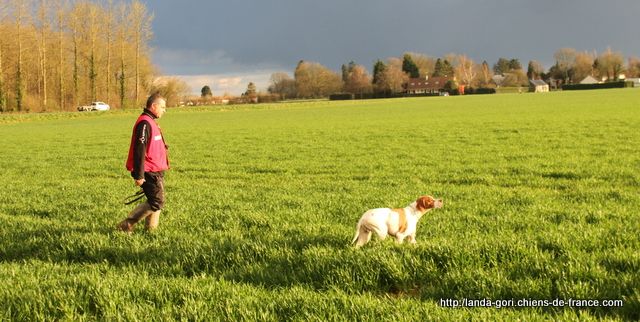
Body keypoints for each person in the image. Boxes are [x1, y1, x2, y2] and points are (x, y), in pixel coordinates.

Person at [117, 93, 169, 233]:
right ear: (154, 106)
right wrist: (139, 175)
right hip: (148, 170)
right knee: (156, 202)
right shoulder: (145, 123)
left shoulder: (150, 121)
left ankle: (151, 231)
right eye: (163, 107)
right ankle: (125, 225)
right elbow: (139, 149)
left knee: (156, 201)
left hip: (156, 169)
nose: (164, 110)